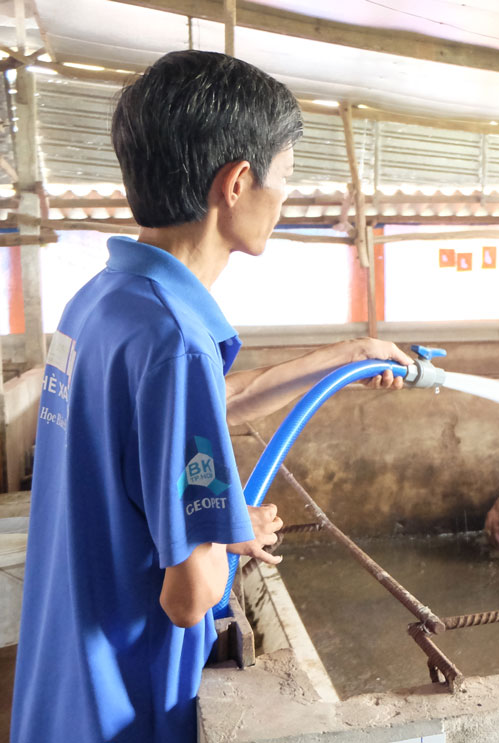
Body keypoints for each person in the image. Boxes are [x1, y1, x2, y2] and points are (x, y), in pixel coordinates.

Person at [10, 50, 413, 743]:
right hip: (125, 707)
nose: (284, 200)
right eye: (285, 178)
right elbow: (188, 599)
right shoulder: (178, 342)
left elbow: (191, 409)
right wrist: (234, 532)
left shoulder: (102, 303)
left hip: (57, 690)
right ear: (237, 182)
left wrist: (350, 355)